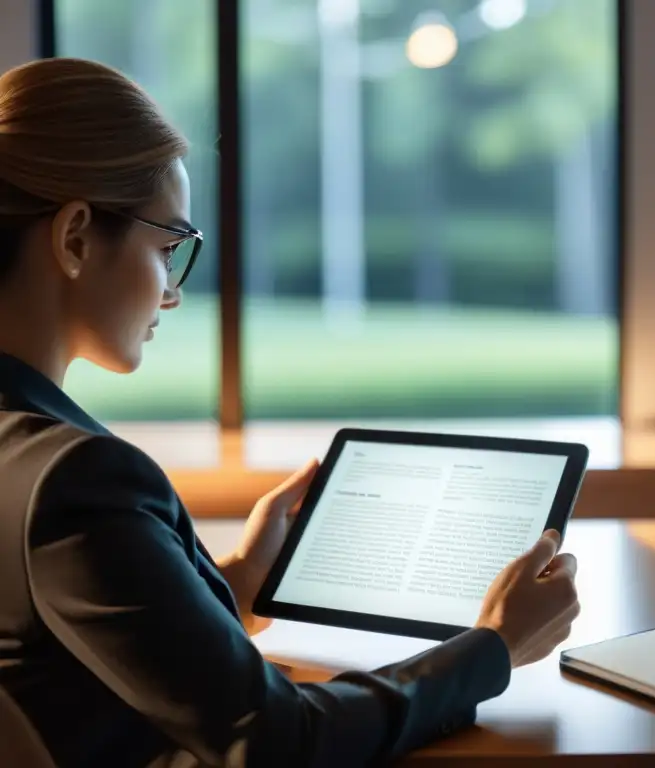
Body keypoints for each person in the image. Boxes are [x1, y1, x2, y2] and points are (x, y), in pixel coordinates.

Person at [0, 57, 581, 767]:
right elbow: (280, 741)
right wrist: (493, 646)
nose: (173, 293)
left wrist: (237, 581)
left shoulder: (26, 453)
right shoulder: (76, 481)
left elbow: (63, 652)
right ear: (76, 238)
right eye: (168, 246)